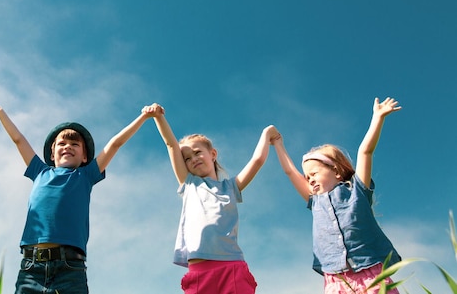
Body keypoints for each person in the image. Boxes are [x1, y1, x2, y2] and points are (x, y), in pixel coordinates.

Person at [0, 102, 158, 294]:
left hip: (70, 268)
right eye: (62, 143)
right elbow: (18, 139)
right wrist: (0, 112)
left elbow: (115, 144)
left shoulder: (86, 175)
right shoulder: (39, 171)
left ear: (84, 157)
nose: (68, 147)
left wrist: (144, 117)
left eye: (75, 144)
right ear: (52, 152)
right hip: (32, 267)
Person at [272, 97, 402, 294]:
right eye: (307, 177)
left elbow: (365, 152)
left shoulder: (357, 192)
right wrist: (278, 144)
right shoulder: (315, 201)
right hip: (336, 279)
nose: (310, 180)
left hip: (371, 273)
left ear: (337, 171)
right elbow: (290, 172)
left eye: (314, 174)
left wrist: (378, 118)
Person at [150, 103, 280, 294]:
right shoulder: (189, 184)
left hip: (232, 268)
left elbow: (257, 160)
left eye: (197, 153)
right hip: (200, 272)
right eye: (186, 158)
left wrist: (267, 133)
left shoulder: (231, 187)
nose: (193, 159)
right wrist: (158, 117)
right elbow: (171, 145)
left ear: (212, 154)